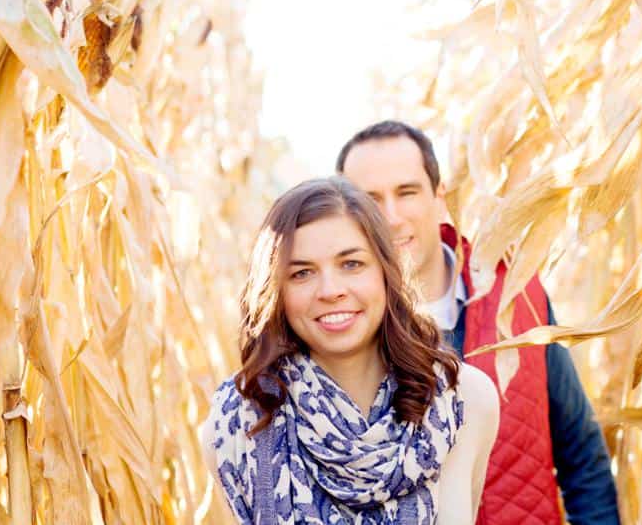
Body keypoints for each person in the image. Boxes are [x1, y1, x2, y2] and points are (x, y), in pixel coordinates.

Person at [337, 121, 620, 525]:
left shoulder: (516, 299)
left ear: (438, 199)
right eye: (370, 201)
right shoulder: (337, 332)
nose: (392, 217)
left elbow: (582, 458)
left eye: (407, 192)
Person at [202, 177, 500, 524]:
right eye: (301, 273)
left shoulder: (465, 400)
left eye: (352, 264)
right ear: (277, 291)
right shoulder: (236, 426)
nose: (330, 290)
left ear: (386, 273)